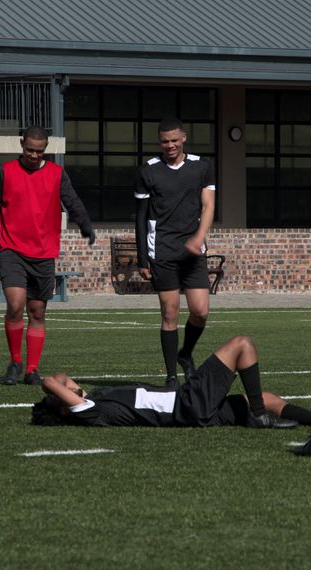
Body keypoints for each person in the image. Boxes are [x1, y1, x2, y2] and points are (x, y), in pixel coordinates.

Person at [0, 126, 95, 386]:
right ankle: (15, 362)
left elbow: (73, 202)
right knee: (15, 305)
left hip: (43, 253)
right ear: (22, 144)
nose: (33, 155)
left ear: (46, 149)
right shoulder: (5, 172)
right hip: (13, 250)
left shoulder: (57, 174)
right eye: (29, 149)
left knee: (37, 311)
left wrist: (85, 224)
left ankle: (31, 370)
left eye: (39, 151)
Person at [32, 335, 311, 429]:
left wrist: (65, 392)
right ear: (65, 409)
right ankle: (258, 416)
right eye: (64, 394)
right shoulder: (93, 413)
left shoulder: (95, 399)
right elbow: (50, 380)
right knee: (242, 345)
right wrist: (57, 396)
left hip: (194, 409)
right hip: (187, 404)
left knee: (268, 397)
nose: (68, 384)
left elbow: (61, 379)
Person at [135, 117, 216, 388]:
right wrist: (142, 258)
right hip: (163, 251)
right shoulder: (148, 171)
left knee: (200, 311)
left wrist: (199, 238)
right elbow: (141, 217)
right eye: (164, 141)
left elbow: (208, 206)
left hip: (193, 252)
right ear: (159, 141)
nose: (169, 145)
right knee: (170, 314)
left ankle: (186, 353)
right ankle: (171, 376)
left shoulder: (202, 166)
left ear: (184, 138)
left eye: (174, 140)